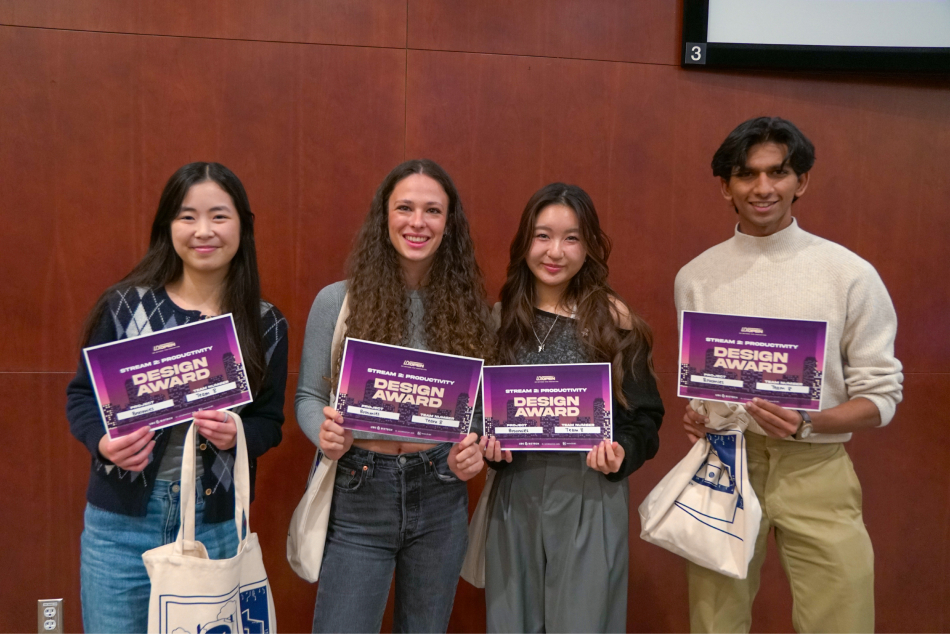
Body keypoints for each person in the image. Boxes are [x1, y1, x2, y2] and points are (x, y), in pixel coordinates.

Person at [676, 117, 903, 633]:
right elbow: (705, 379)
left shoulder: (849, 274)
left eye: (777, 173)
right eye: (746, 174)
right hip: (725, 464)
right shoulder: (695, 277)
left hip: (816, 469)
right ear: (725, 187)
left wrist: (810, 421)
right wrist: (700, 413)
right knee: (715, 622)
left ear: (802, 181)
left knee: (840, 620)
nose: (762, 188)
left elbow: (882, 395)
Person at [65, 162, 288, 634]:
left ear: (243, 226)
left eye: (219, 216)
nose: (203, 231)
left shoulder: (265, 323)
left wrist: (238, 435)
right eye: (187, 216)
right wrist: (103, 443)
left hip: (214, 523)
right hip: (119, 525)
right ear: (168, 227)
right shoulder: (124, 306)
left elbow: (269, 422)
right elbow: (83, 398)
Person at [295, 159, 496, 633]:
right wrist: (321, 433)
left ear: (450, 225)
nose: (418, 222)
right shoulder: (336, 302)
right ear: (384, 216)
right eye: (405, 207)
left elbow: (479, 416)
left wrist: (473, 451)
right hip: (359, 491)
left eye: (433, 210)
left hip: (441, 493)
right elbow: (306, 395)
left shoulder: (473, 313)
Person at [482, 183, 664, 633]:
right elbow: (476, 414)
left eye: (572, 238)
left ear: (590, 247)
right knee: (511, 623)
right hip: (514, 495)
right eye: (543, 235)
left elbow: (646, 417)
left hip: (590, 492)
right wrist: (485, 443)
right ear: (525, 240)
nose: (555, 251)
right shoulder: (497, 321)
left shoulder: (614, 322)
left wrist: (622, 451)